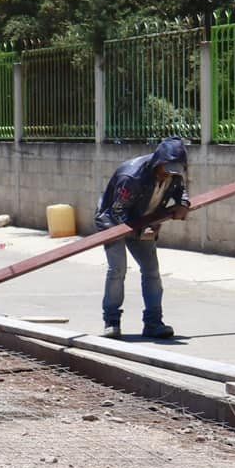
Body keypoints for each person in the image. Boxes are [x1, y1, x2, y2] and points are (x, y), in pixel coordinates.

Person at [95, 136, 192, 339]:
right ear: (159, 161)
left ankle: (153, 322)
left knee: (151, 271)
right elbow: (117, 212)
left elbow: (180, 188)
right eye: (167, 168)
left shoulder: (173, 173)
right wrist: (141, 231)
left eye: (175, 169)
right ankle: (111, 322)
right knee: (117, 270)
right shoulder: (131, 176)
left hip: (143, 222)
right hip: (112, 222)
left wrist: (183, 203)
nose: (170, 174)